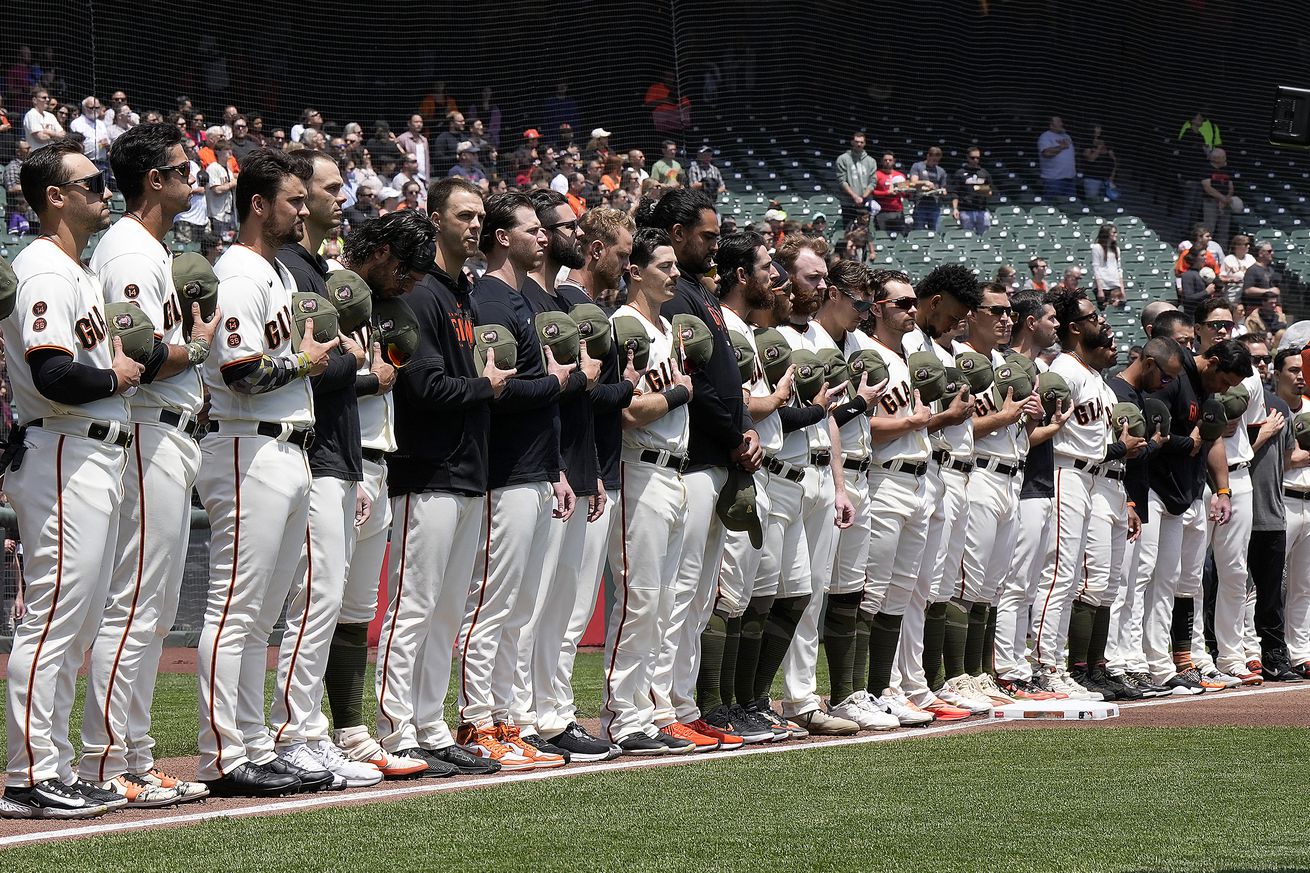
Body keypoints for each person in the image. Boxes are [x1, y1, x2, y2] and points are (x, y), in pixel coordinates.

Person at [0, 139, 143, 820]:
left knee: (77, 621)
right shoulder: (44, 271)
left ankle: (52, 765)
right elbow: (53, 370)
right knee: (55, 618)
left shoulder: (74, 270)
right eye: (88, 182)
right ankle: (29, 774)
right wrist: (116, 375)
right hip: (61, 444)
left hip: (90, 451)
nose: (102, 189)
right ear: (52, 195)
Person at [77, 122, 219, 807]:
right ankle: (109, 760)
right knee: (135, 605)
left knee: (150, 608)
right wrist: (194, 345)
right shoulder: (131, 251)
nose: (193, 178)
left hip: (168, 431)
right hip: (147, 429)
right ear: (153, 181)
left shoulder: (149, 247)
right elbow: (132, 360)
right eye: (181, 169)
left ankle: (132, 754)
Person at [193, 148, 340, 797]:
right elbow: (241, 373)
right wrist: (308, 361)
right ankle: (222, 753)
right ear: (258, 204)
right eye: (294, 200)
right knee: (233, 607)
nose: (304, 210)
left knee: (260, 615)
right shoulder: (238, 272)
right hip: (245, 446)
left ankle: (251, 742)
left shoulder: (275, 273)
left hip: (284, 449)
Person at [369, 178, 509, 776]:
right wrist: (487, 387)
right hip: (427, 469)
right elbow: (420, 385)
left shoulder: (463, 296)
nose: (475, 225)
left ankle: (429, 724)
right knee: (415, 605)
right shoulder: (422, 293)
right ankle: (396, 727)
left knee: (447, 611)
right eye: (463, 215)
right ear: (436, 220)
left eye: (480, 216)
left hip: (468, 471)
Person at [265, 149, 385, 790]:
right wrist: (351, 359)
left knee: (327, 599)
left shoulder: (318, 269)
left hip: (339, 453)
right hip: (308, 456)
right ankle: (296, 734)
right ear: (299, 196)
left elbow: (336, 366)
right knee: (312, 603)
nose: (343, 195)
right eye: (330, 187)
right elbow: (322, 366)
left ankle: (305, 731)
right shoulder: (288, 268)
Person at [456, 192, 577, 770]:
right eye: (533, 230)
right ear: (504, 238)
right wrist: (554, 382)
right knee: (491, 604)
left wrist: (554, 468)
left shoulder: (520, 300)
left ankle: (503, 716)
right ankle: (477, 719)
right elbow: (497, 391)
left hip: (533, 469)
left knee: (519, 606)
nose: (544, 238)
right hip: (502, 471)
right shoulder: (488, 299)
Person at [646, 188, 764, 746]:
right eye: (707, 235)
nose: (713, 245)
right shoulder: (675, 299)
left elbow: (726, 382)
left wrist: (741, 430)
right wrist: (736, 430)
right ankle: (662, 702)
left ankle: (684, 700)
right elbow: (696, 387)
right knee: (679, 589)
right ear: (675, 232)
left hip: (718, 457)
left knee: (697, 595)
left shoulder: (702, 295)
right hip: (692, 459)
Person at [603, 226, 700, 753]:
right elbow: (628, 409)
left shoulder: (669, 331)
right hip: (638, 467)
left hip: (675, 470)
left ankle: (644, 709)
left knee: (661, 601)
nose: (675, 273)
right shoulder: (623, 325)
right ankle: (623, 714)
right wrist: (681, 392)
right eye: (663, 265)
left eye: (675, 265)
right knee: (640, 598)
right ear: (634, 271)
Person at [1029, 289, 1120, 696]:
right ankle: (1042, 665)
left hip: (1092, 477)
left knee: (1070, 578)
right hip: (1065, 470)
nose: (1100, 321)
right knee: (1060, 574)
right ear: (1074, 327)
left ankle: (1055, 663)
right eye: (1091, 316)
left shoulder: (1092, 375)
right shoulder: (1063, 368)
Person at [1274, 348, 1310, 679]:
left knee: (1304, 585)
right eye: (1292, 370)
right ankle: (1256, 649)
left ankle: (1300, 652)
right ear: (1277, 374)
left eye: (1302, 370)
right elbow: (1272, 460)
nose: (1300, 376)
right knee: (1265, 583)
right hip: (1281, 499)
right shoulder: (1273, 409)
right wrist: (1294, 458)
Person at [836, 132, 877, 230]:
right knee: (849, 230)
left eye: (861, 142)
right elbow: (842, 181)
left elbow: (873, 182)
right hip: (848, 202)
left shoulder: (871, 161)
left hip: (865, 202)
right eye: (856, 142)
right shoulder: (843, 159)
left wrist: (863, 197)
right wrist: (855, 196)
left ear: (865, 143)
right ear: (852, 142)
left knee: (866, 232)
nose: (859, 144)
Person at [950, 147, 993, 234]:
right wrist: (955, 209)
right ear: (967, 158)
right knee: (968, 236)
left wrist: (982, 190)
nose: (975, 160)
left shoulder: (984, 173)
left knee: (984, 235)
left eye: (978, 158)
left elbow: (990, 191)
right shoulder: (960, 173)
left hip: (982, 210)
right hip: (966, 211)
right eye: (973, 158)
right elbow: (955, 193)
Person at [906, 147, 948, 233]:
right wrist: (925, 182)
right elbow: (913, 182)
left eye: (937, 161)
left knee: (935, 231)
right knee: (919, 230)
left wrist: (943, 191)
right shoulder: (917, 166)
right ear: (928, 156)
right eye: (933, 160)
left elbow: (943, 187)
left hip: (934, 204)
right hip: (920, 202)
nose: (935, 163)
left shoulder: (941, 171)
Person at [203, 136, 238, 239]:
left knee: (227, 242)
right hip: (216, 214)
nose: (229, 152)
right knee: (218, 241)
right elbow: (216, 189)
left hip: (228, 213)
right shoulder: (213, 168)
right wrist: (232, 183)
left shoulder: (228, 168)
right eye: (226, 149)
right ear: (218, 152)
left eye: (230, 149)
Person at [1200, 148, 1234, 250]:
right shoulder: (1206, 169)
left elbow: (1231, 186)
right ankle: (1207, 251)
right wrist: (1222, 198)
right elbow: (1207, 187)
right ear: (1215, 159)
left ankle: (1222, 253)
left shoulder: (1227, 169)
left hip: (1225, 204)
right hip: (1211, 203)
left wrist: (1226, 199)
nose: (1225, 159)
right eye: (1223, 157)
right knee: (1209, 229)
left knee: (1224, 231)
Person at [1037, 116, 1076, 199]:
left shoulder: (1067, 136)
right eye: (1058, 122)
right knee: (1053, 206)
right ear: (1051, 125)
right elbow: (1046, 153)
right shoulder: (1045, 136)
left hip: (1070, 179)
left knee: (1071, 208)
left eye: (1061, 121)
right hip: (1054, 180)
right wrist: (1061, 147)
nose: (1061, 124)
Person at [68, 96, 109, 174]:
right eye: (91, 108)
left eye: (97, 107)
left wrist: (107, 143)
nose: (94, 110)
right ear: (84, 108)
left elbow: (107, 140)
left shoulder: (101, 123)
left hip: (102, 162)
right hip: (85, 161)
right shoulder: (77, 123)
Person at [871, 153, 908, 234]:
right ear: (881, 161)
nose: (888, 162)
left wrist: (903, 191)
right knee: (882, 236)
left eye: (890, 160)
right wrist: (887, 193)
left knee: (900, 236)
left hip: (897, 211)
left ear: (894, 161)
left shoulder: (900, 176)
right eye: (885, 160)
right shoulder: (876, 175)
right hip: (882, 212)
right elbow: (872, 192)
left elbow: (905, 194)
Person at [1091, 224, 1125, 308]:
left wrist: (1122, 288)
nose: (1116, 234)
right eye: (1113, 232)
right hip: (1104, 286)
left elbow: (1119, 269)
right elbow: (1096, 268)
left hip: (1115, 285)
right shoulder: (1097, 247)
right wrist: (1100, 289)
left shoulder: (1116, 249)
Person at [1081, 126, 1117, 200]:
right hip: (1092, 179)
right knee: (1092, 202)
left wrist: (1112, 177)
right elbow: (1090, 159)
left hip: (1106, 179)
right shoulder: (1087, 143)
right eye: (1095, 132)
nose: (1098, 134)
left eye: (1099, 131)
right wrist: (1099, 147)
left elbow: (1114, 161)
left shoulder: (1107, 143)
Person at [395, 114, 429, 181]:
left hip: (424, 176)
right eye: (416, 122)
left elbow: (427, 161)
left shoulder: (424, 140)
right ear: (409, 123)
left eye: (421, 122)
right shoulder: (402, 138)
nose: (419, 124)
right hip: (409, 177)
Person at [1221, 234, 1255, 302]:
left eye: (1249, 244)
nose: (1248, 246)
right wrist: (1232, 280)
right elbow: (1221, 277)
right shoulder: (1229, 259)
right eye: (1245, 244)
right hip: (1232, 297)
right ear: (1237, 246)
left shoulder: (1250, 258)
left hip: (1247, 299)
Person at [432, 112, 466, 176]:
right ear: (452, 123)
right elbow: (438, 158)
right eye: (460, 121)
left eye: (463, 121)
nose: (463, 123)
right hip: (448, 176)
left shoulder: (464, 137)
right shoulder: (443, 138)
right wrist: (456, 157)